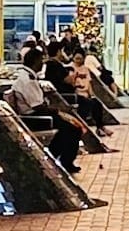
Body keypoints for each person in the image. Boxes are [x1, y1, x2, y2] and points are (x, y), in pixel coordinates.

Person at [8, 48, 82, 176]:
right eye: (41, 61)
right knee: (73, 129)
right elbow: (38, 106)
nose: (43, 64)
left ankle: (58, 159)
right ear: (35, 62)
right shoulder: (27, 80)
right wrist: (58, 112)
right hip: (33, 117)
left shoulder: (27, 76)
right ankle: (55, 159)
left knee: (69, 127)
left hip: (37, 113)